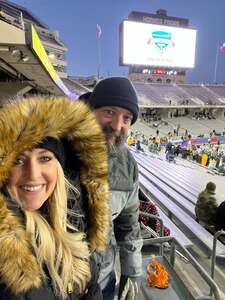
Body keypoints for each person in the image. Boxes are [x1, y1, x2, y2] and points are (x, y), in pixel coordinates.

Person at [0, 96, 110, 300]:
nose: (32, 174)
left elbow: (90, 288)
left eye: (44, 158)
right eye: (18, 160)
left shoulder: (75, 220)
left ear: (59, 168)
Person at [80, 77, 143, 300]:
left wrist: (131, 272)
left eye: (126, 118)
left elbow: (128, 224)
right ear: (91, 110)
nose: (117, 126)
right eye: (109, 112)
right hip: (58, 284)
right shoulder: (58, 148)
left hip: (103, 281)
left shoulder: (127, 165)